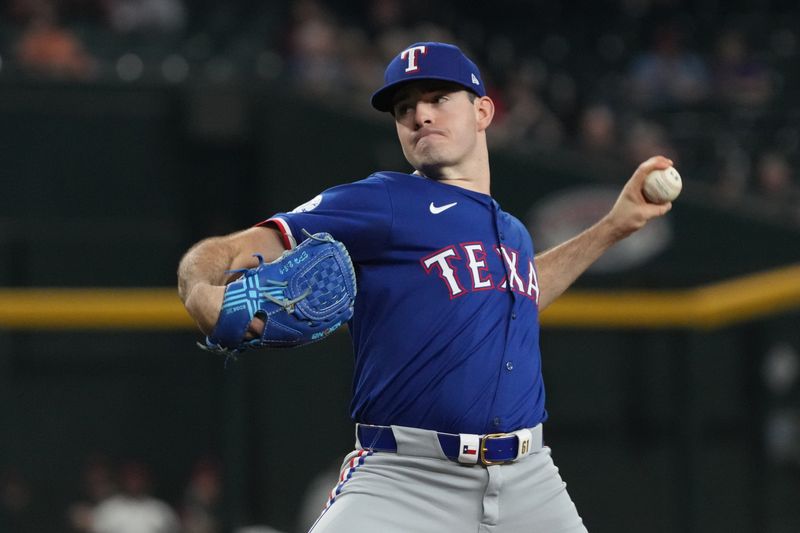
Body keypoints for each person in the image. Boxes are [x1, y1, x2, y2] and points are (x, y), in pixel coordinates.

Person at [178, 41, 674, 532]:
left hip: (530, 477)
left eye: (438, 98)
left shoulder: (513, 231)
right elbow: (235, 248)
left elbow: (521, 293)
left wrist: (614, 227)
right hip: (406, 477)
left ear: (483, 111)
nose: (420, 115)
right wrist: (200, 291)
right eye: (404, 108)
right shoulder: (386, 199)